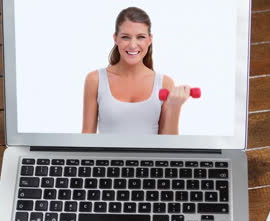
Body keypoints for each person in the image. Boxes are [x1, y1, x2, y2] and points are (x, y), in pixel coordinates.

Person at [82, 7, 192, 135]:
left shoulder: (164, 83)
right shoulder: (95, 80)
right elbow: (87, 138)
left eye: (140, 37)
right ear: (115, 38)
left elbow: (169, 146)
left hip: (151, 156)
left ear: (149, 40)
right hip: (107, 156)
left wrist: (175, 106)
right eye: (125, 37)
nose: (133, 45)